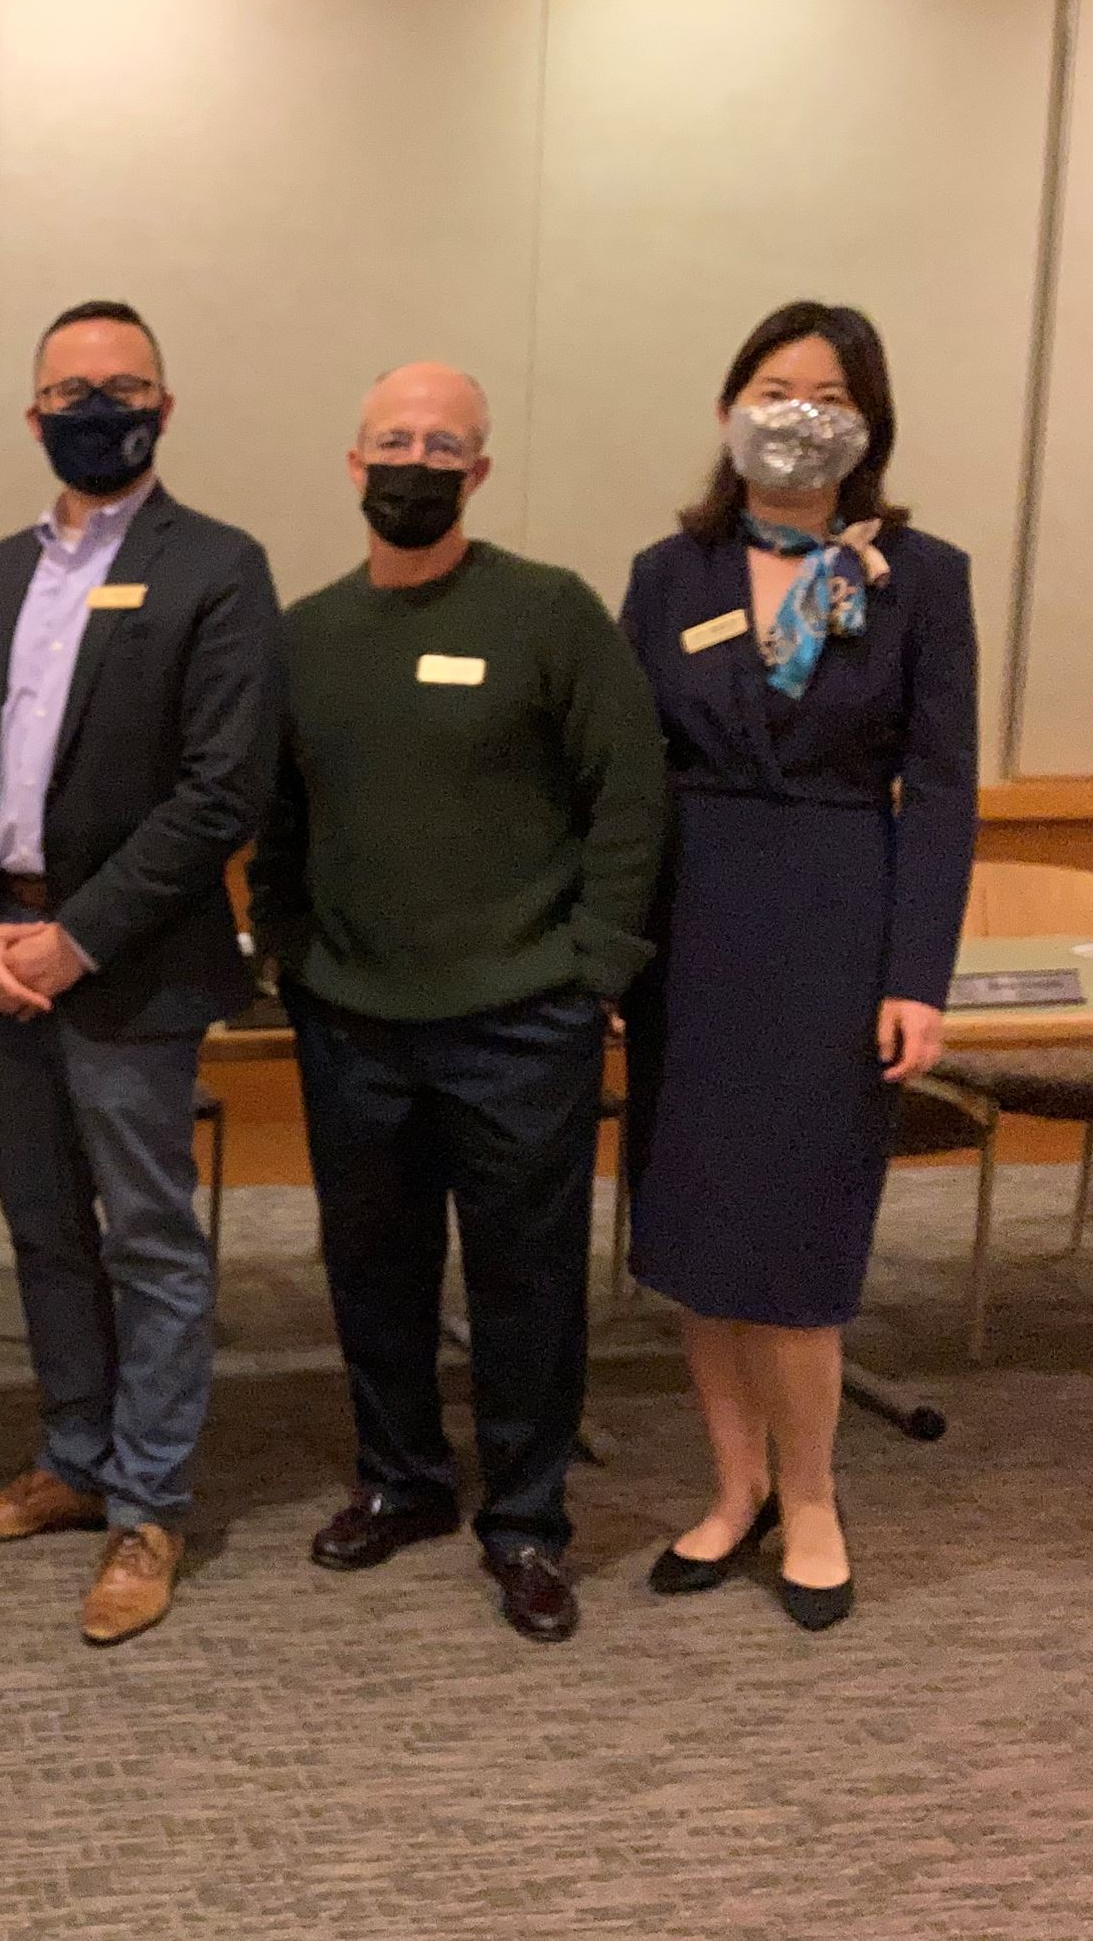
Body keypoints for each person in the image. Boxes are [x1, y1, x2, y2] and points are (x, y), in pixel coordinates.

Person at [249, 362, 666, 1644]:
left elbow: (630, 793)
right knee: (371, 1269)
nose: (413, 463)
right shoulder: (305, 633)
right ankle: (402, 1482)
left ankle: (527, 1520)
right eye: (391, 440)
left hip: (518, 1017)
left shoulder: (547, 614)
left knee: (523, 1280)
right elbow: (276, 817)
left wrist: (592, 966)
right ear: (351, 462)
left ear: (477, 473)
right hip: (350, 1018)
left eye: (443, 444)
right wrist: (287, 952)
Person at [0, 300, 280, 1647]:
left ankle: (149, 1503)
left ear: (165, 406)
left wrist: (77, 937)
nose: (97, 404)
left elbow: (219, 791)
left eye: (123, 384)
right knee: (44, 1229)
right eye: (71, 387)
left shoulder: (220, 568)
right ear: (32, 416)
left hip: (124, 966)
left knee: (148, 1237)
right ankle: (72, 1461)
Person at [617, 303, 976, 1631]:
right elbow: (625, 776)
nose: (799, 412)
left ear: (868, 424)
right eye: (776, 386)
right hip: (692, 919)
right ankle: (732, 1489)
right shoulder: (672, 573)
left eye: (829, 394)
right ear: (729, 407)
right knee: (700, 1233)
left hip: (837, 909)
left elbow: (939, 789)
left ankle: (814, 1497)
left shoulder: (924, 574)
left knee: (799, 1239)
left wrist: (917, 973)